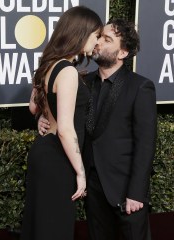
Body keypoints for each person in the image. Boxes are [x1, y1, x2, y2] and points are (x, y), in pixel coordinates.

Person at [38, 19, 157, 240]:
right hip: (92, 189)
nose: (98, 42)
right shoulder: (82, 82)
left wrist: (137, 193)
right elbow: (62, 115)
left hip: (125, 190)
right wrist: (44, 118)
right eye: (99, 36)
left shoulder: (140, 87)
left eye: (107, 39)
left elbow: (146, 144)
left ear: (122, 53)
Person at [20, 6, 103, 240]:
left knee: (41, 223)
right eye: (95, 35)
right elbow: (66, 130)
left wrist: (43, 118)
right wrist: (80, 172)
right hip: (58, 157)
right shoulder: (67, 72)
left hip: (43, 151)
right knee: (55, 227)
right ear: (81, 33)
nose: (96, 43)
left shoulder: (49, 64)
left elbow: (34, 108)